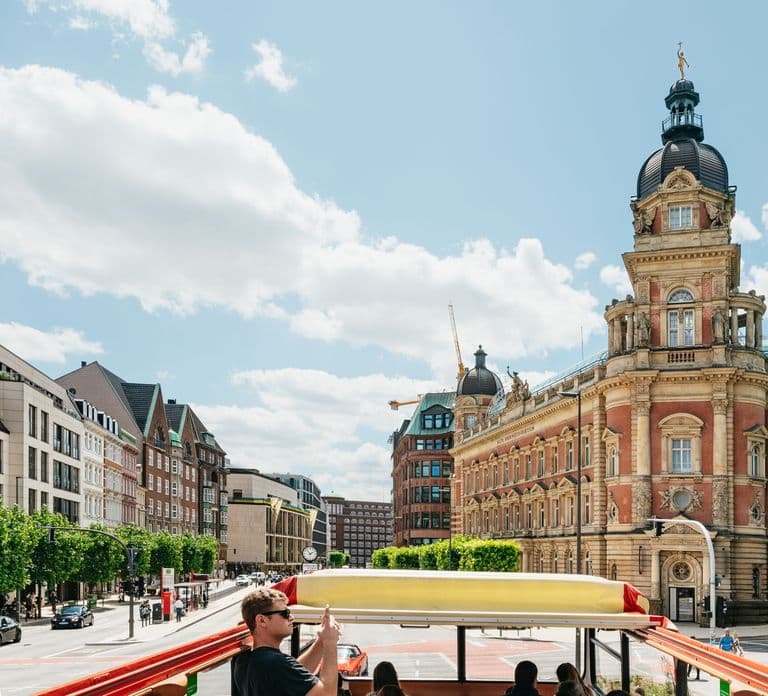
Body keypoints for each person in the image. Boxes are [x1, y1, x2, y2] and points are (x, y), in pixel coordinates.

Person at [232, 586, 340, 695]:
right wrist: (330, 642)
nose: (291, 617)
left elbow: (293, 675)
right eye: (285, 613)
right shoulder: (275, 663)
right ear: (262, 620)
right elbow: (328, 693)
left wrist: (321, 641)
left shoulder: (243, 661)